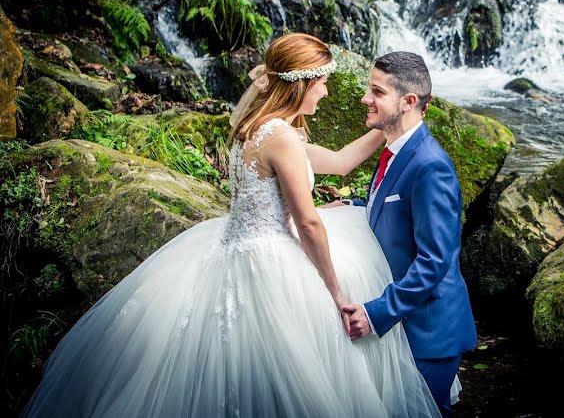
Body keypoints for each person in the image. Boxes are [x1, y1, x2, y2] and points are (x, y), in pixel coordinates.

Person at [22, 34, 441, 417]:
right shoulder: (282, 138)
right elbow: (309, 222)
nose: (326, 91)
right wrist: (336, 292)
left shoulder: (256, 129)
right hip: (268, 258)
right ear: (301, 84)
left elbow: (340, 161)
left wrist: (392, 128)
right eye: (322, 83)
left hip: (228, 246)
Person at [336, 52, 478, 417]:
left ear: (408, 102)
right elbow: (397, 208)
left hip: (430, 331)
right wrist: (353, 206)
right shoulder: (398, 150)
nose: (365, 98)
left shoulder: (431, 166)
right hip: (409, 323)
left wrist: (375, 313)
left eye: (376, 92)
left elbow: (433, 263)